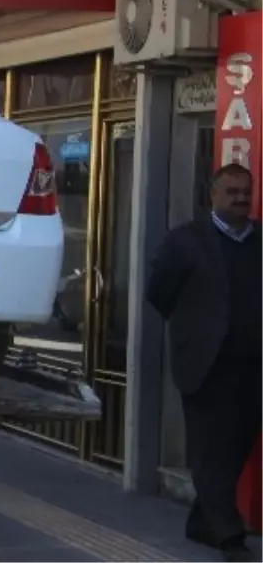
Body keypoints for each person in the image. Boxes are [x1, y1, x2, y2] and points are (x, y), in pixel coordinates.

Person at [148, 162, 263, 563]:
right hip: (206, 365)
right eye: (231, 191)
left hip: (253, 368)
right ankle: (230, 538)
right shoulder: (186, 242)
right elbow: (159, 291)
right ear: (212, 195)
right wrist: (193, 330)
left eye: (246, 191)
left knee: (236, 448)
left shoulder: (260, 240)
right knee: (211, 452)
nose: (241, 198)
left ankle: (202, 522)